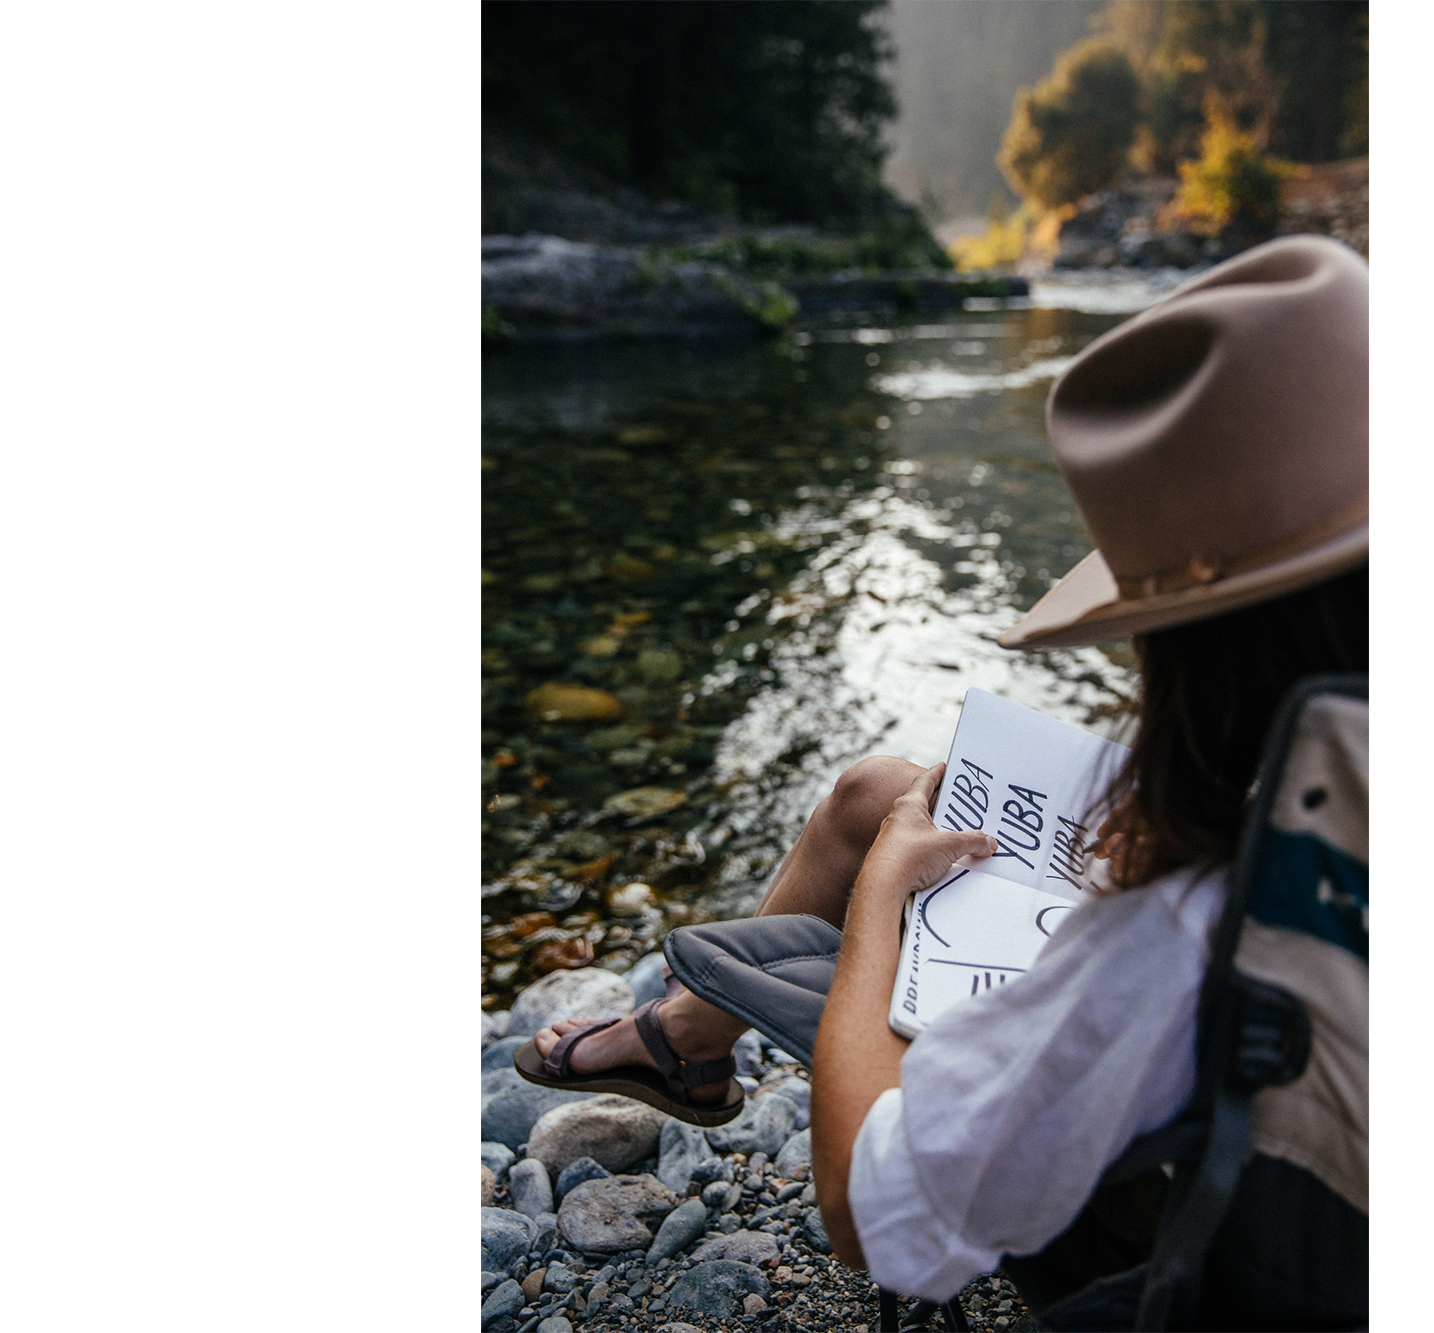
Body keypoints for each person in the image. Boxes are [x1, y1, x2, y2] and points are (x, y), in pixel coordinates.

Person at [516, 234, 1368, 1319]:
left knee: (893, 843)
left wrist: (882, 896)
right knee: (880, 792)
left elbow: (869, 1215)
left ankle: (686, 1037)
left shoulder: (1191, 922)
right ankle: (690, 1039)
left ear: (1199, 651)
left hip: (1227, 1230)